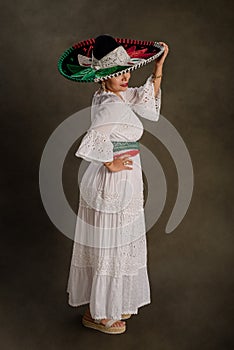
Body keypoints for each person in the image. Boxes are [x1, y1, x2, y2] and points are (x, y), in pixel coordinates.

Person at [58, 34, 169, 334]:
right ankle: (101, 313)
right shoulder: (109, 104)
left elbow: (145, 99)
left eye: (126, 71)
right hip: (115, 180)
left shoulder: (115, 96)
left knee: (119, 242)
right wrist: (111, 163)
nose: (125, 77)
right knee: (113, 243)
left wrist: (158, 67)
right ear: (103, 77)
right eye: (117, 73)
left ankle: (109, 303)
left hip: (124, 177)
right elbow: (93, 139)